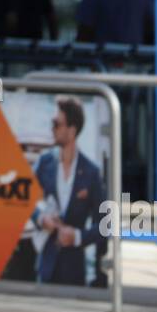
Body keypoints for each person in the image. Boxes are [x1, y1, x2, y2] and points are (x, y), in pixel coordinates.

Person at [32, 97, 106, 286]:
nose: (52, 128)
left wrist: (77, 237)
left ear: (71, 131)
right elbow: (26, 201)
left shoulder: (91, 172)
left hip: (75, 270)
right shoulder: (44, 163)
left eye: (57, 124)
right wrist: (41, 218)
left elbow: (105, 225)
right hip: (45, 267)